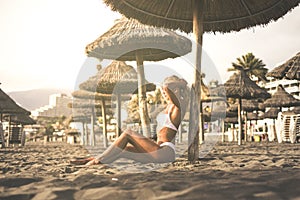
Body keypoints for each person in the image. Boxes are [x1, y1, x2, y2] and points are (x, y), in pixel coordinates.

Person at [70, 75, 189, 165]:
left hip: (165, 153)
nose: (163, 93)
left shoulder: (178, 106)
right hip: (158, 150)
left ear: (176, 90)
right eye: (162, 92)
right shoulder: (168, 107)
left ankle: (98, 159)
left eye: (165, 92)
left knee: (128, 133)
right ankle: (91, 162)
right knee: (124, 150)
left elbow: (167, 87)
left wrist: (180, 83)